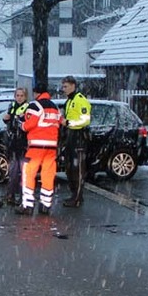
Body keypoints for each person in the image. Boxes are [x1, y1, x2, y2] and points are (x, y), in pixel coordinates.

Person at [16, 88, 61, 216]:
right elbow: (59, 123)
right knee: (48, 174)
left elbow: (29, 125)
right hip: (51, 146)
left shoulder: (35, 105)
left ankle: (28, 205)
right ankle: (45, 205)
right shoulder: (55, 107)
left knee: (28, 173)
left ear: (36, 93)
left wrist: (21, 124)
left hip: (36, 146)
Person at [0, 86, 30, 208]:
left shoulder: (28, 108)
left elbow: (25, 125)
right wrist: (6, 119)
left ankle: (24, 198)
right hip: (13, 143)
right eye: (17, 95)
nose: (19, 98)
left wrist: (16, 119)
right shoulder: (12, 106)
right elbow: (9, 121)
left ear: (25, 97)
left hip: (22, 143)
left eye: (21, 96)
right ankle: (11, 195)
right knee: (13, 171)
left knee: (24, 172)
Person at [59, 75, 92, 207]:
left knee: (77, 169)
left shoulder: (80, 100)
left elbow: (85, 120)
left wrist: (69, 123)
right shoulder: (69, 101)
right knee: (69, 168)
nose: (64, 89)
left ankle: (77, 197)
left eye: (66, 86)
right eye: (63, 86)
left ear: (73, 86)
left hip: (79, 137)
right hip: (70, 136)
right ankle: (74, 195)